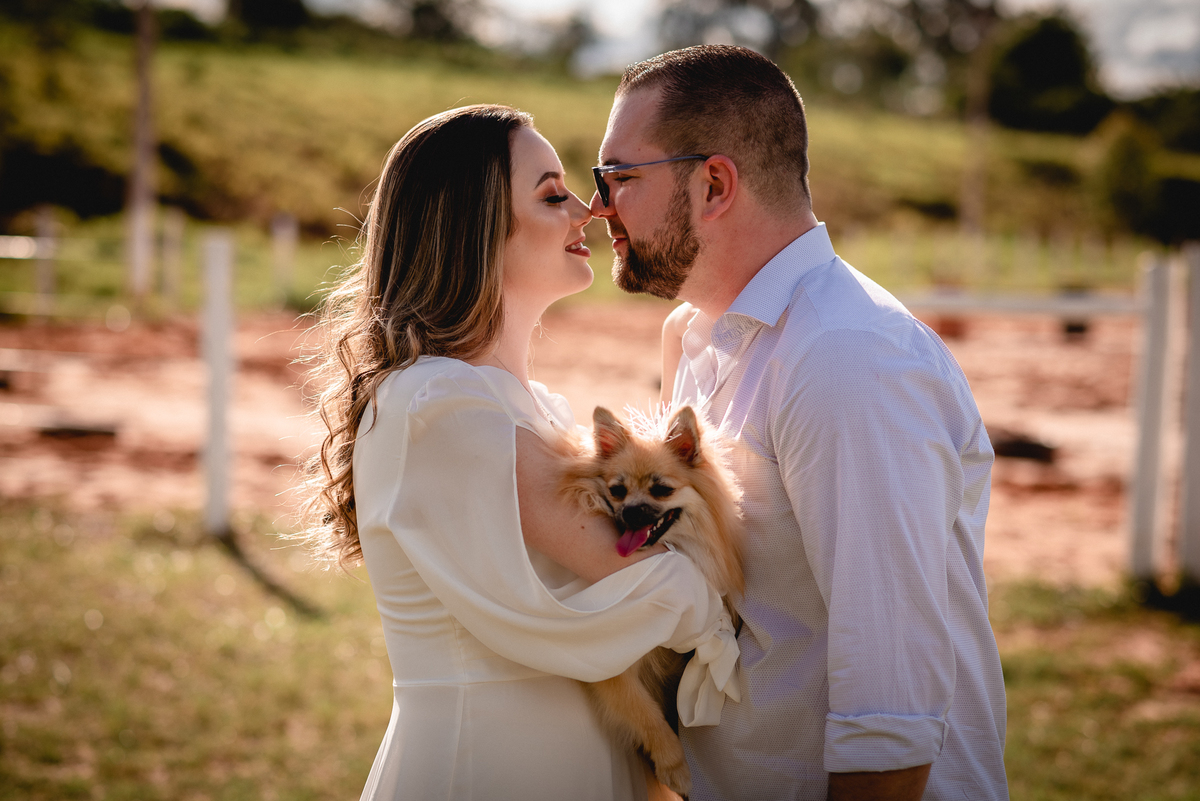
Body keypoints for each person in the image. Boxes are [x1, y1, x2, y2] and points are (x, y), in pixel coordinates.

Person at [589, 46, 1008, 800]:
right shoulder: (696, 337)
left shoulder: (847, 357)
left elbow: (891, 703)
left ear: (713, 183)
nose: (598, 207)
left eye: (618, 178)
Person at [299, 104, 739, 801]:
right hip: (486, 762)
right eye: (551, 193)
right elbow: (647, 580)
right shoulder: (439, 404)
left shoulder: (526, 409)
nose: (589, 209)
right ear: (475, 228)